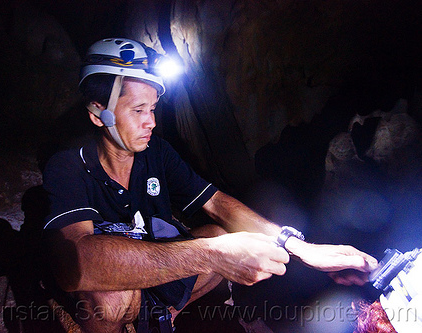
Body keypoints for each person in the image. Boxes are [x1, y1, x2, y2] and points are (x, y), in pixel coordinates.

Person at [42, 37, 378, 333]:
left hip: (157, 268)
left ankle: (165, 318)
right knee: (109, 298)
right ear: (99, 114)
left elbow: (216, 203)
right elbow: (76, 265)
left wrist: (301, 248)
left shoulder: (155, 151)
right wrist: (210, 255)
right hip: (116, 287)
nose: (152, 121)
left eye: (154, 108)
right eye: (138, 109)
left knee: (220, 235)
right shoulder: (69, 166)